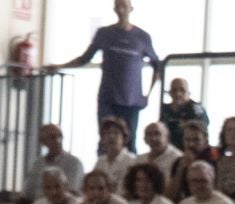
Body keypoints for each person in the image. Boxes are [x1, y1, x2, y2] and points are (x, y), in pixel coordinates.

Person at [51, 0, 161, 143]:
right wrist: (60, 66)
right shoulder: (105, 33)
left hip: (131, 100)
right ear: (114, 9)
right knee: (106, 140)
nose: (121, 10)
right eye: (118, 6)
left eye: (124, 6)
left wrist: (147, 95)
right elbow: (85, 58)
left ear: (131, 9)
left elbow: (157, 66)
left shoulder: (142, 37)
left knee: (129, 142)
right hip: (108, 98)